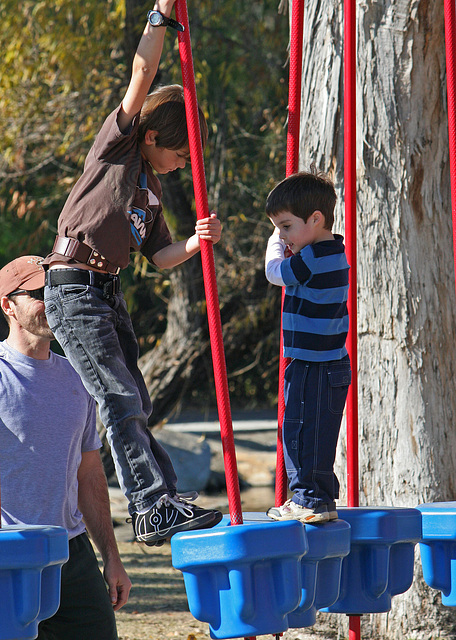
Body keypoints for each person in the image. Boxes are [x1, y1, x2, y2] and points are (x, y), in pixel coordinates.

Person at [42, 0, 223, 546]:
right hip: (74, 290)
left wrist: (195, 243)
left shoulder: (151, 188)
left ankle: (163, 497)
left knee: (136, 400)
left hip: (107, 294)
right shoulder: (116, 150)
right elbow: (143, 72)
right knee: (116, 397)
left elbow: (160, 256)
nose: (183, 164)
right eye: (180, 154)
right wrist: (159, 19)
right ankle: (146, 507)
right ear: (152, 137)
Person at [0, 255, 131, 640]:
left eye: (59, 290)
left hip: (69, 552)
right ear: (8, 304)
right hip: (8, 551)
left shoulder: (78, 373)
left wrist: (112, 557)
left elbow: (89, 473)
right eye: (41, 293)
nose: (54, 301)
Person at [264, 168, 352, 524]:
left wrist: (273, 242)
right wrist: (285, 236)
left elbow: (275, 273)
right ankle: (319, 498)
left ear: (315, 219)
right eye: (279, 228)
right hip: (328, 362)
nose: (284, 235)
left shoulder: (314, 257)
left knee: (299, 430)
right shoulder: (333, 251)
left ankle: (310, 498)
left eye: (286, 226)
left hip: (312, 363)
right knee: (317, 432)